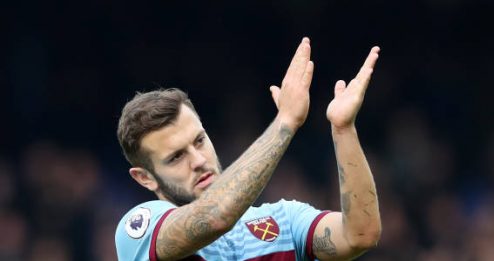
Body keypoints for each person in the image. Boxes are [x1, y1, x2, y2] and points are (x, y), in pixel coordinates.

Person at [115, 37, 382, 261]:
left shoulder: (283, 221)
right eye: (176, 157)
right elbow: (215, 216)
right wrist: (285, 122)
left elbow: (360, 235)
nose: (198, 160)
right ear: (145, 177)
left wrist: (344, 130)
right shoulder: (140, 229)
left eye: (199, 141)